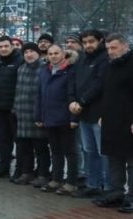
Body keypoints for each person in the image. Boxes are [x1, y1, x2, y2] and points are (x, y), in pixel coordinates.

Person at [68, 29, 108, 198]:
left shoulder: (105, 59)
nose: (88, 45)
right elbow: (72, 80)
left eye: (91, 41)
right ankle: (93, 184)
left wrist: (81, 102)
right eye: (84, 42)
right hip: (82, 113)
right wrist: (72, 100)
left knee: (102, 152)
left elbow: (99, 84)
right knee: (88, 150)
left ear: (100, 41)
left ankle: (108, 187)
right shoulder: (82, 58)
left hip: (97, 113)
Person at [34, 44, 79, 194]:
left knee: (70, 151)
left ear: (63, 54)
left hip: (65, 118)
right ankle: (56, 179)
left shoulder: (70, 71)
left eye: (56, 53)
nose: (53, 56)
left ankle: (71, 182)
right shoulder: (44, 72)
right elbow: (39, 96)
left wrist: (74, 118)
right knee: (55, 150)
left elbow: (72, 95)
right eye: (50, 53)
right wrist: (39, 116)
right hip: (49, 118)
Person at [96, 34, 133, 213]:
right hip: (111, 120)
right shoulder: (109, 66)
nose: (110, 52)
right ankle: (116, 192)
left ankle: (132, 197)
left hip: (129, 121)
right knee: (114, 158)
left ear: (125, 46)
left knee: (132, 161)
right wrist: (104, 114)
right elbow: (107, 93)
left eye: (114, 48)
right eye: (108, 48)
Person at [13, 42, 51, 187]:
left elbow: (45, 94)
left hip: (37, 115)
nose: (29, 55)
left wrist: (41, 115)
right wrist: (15, 108)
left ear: (38, 53)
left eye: (31, 52)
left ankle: (42, 174)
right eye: (26, 52)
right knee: (24, 147)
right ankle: (26, 172)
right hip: (22, 114)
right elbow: (18, 90)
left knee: (41, 147)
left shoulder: (44, 69)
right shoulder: (21, 69)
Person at [0, 35, 23, 178]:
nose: (3, 49)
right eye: (0, 46)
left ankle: (20, 170)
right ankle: (3, 168)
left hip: (15, 110)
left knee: (19, 141)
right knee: (3, 140)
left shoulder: (20, 61)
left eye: (6, 46)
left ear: (12, 46)